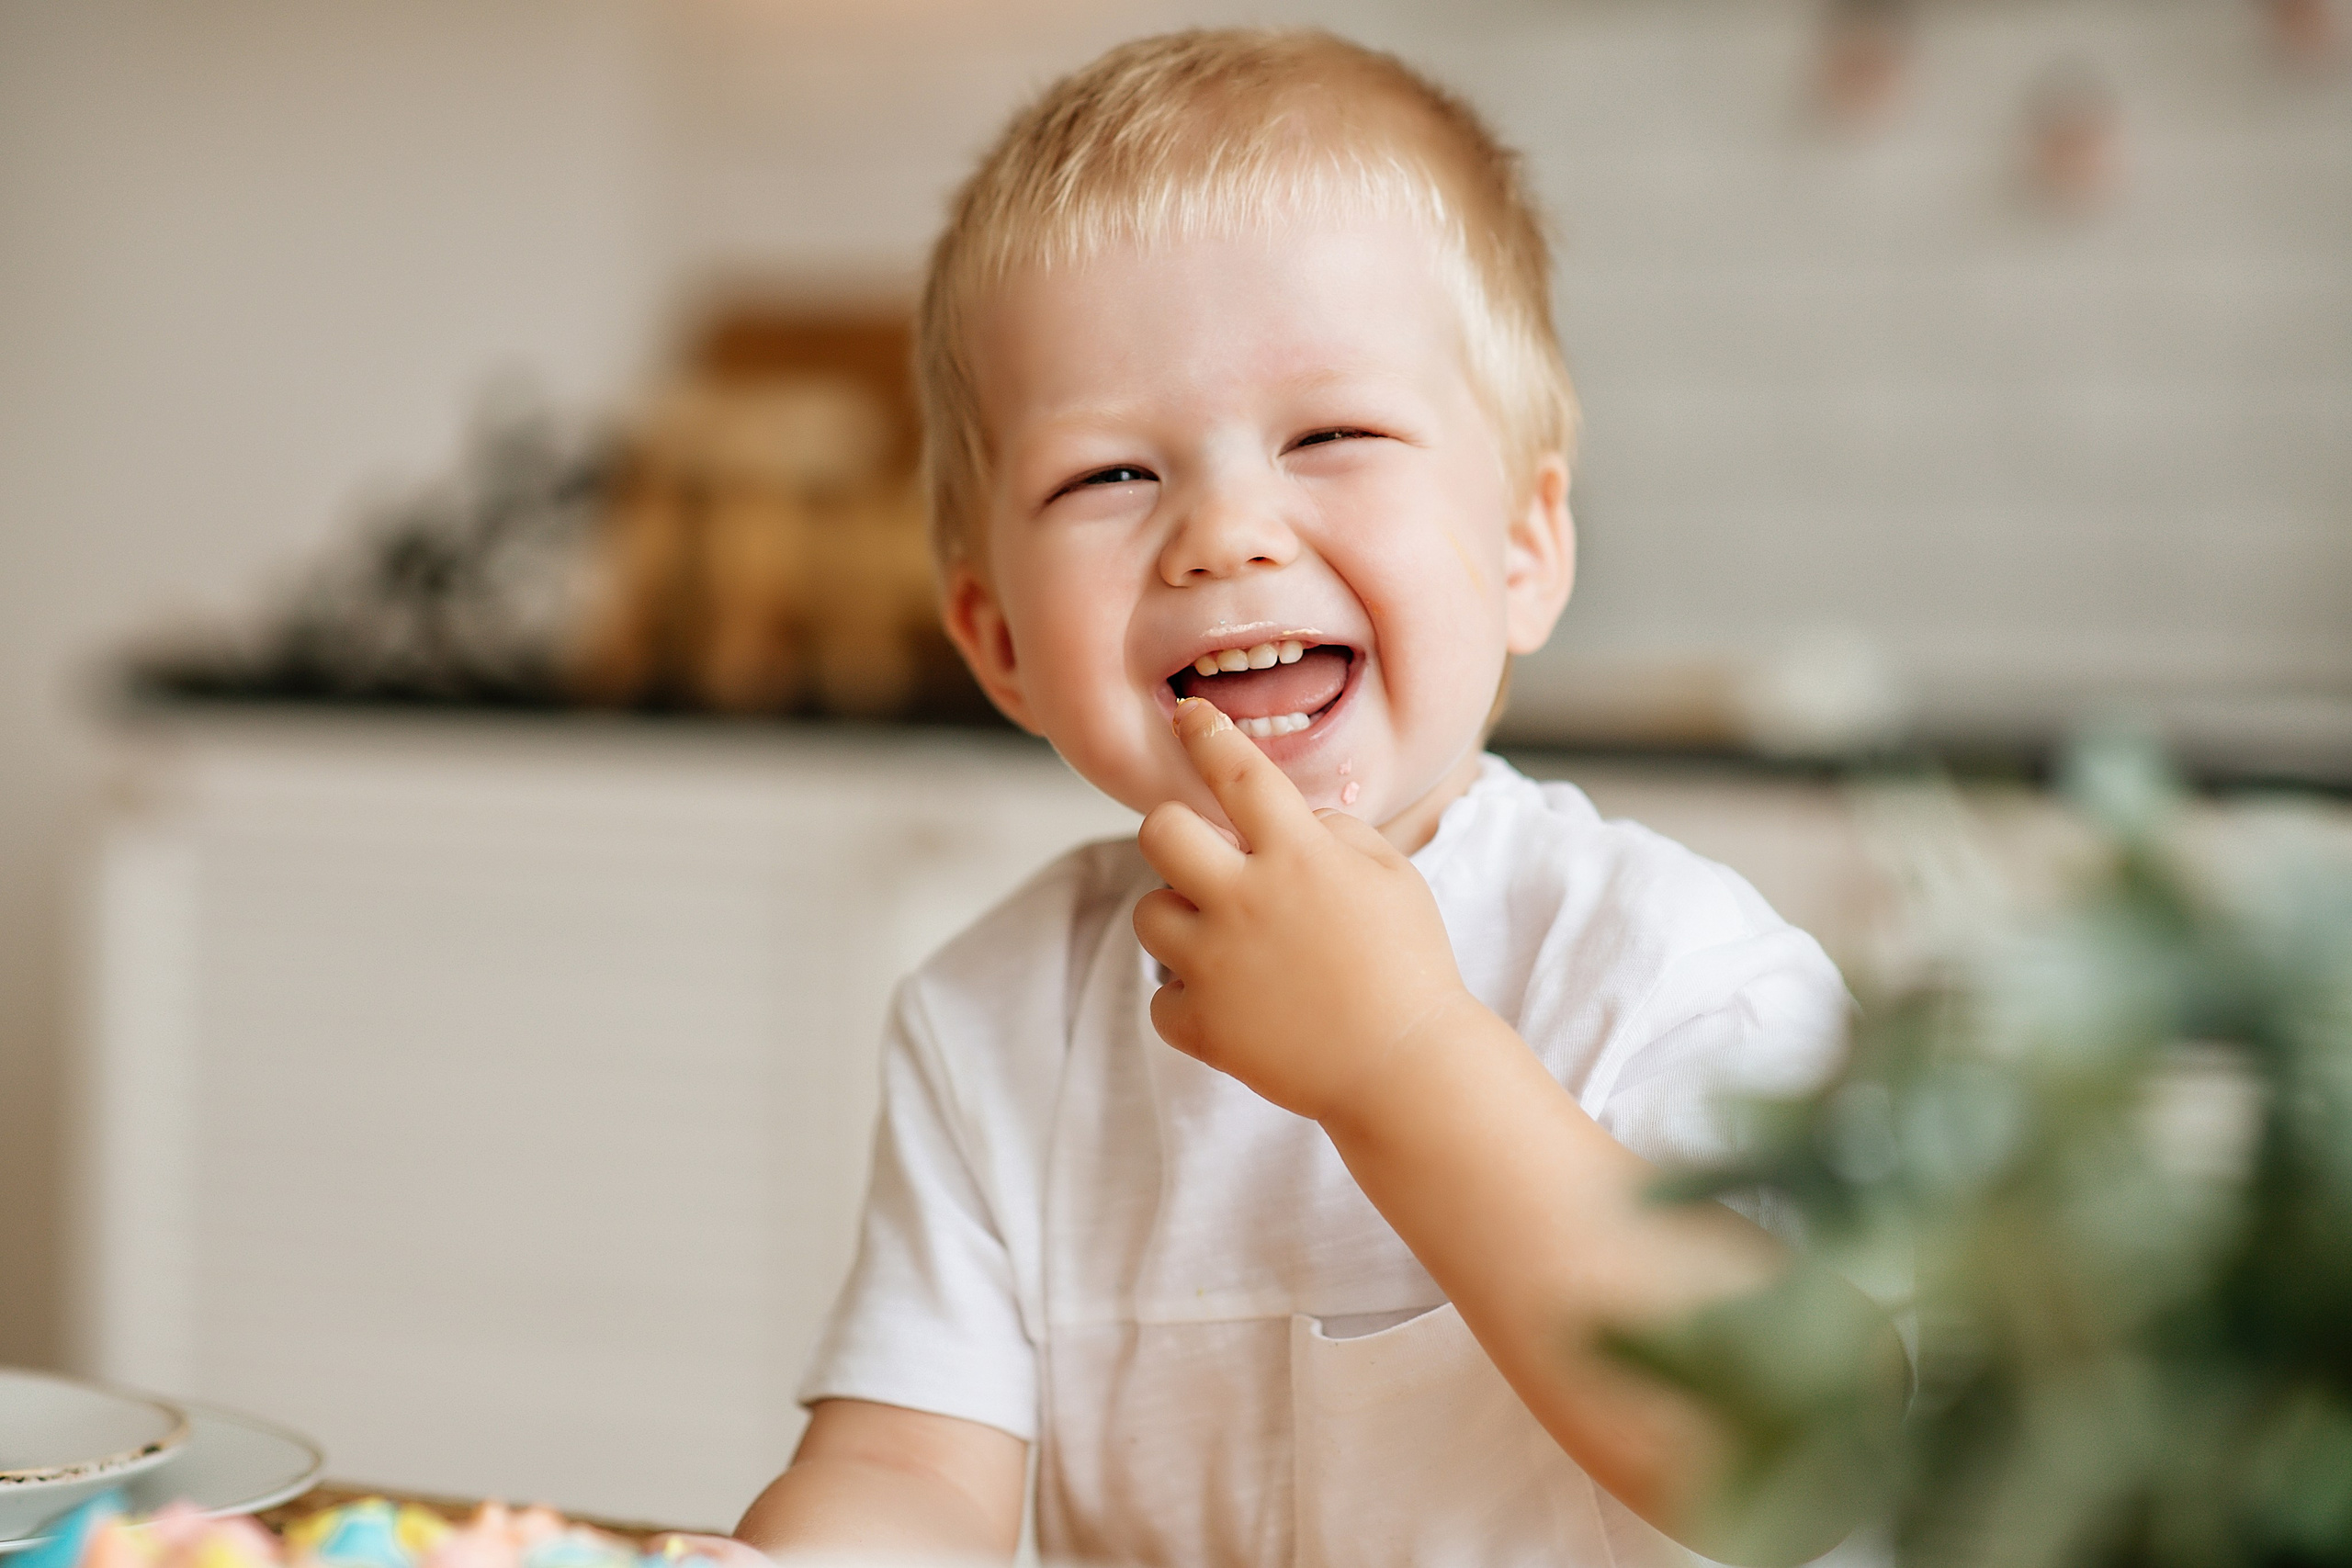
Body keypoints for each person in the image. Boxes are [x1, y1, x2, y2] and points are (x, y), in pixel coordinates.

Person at [736, 28, 1898, 1567]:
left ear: (1523, 551)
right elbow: (910, 1473)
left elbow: (1807, 1458)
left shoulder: (1669, 968)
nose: (1223, 531)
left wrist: (1403, 1055)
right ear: (1000, 643)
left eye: (1332, 435)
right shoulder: (990, 1022)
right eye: (1110, 478)